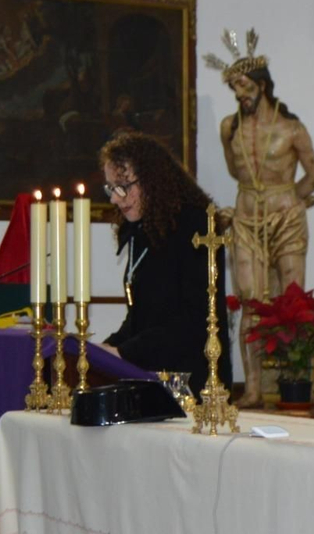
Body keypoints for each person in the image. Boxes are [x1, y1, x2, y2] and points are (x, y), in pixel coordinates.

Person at [205, 30, 314, 407]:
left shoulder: (292, 129)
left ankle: (302, 385)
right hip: (246, 220)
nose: (239, 94)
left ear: (262, 85)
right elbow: (234, 171)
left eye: (244, 85)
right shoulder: (230, 128)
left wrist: (291, 199)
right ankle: (253, 389)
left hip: (286, 218)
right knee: (250, 302)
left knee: (294, 302)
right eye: (234, 88)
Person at [96, 130, 232, 384]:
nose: (115, 198)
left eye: (123, 187)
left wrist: (125, 353)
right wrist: (106, 349)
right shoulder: (144, 229)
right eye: (111, 188)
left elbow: (193, 319)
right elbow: (141, 317)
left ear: (152, 180)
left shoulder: (195, 225)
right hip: (151, 374)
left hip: (194, 378)